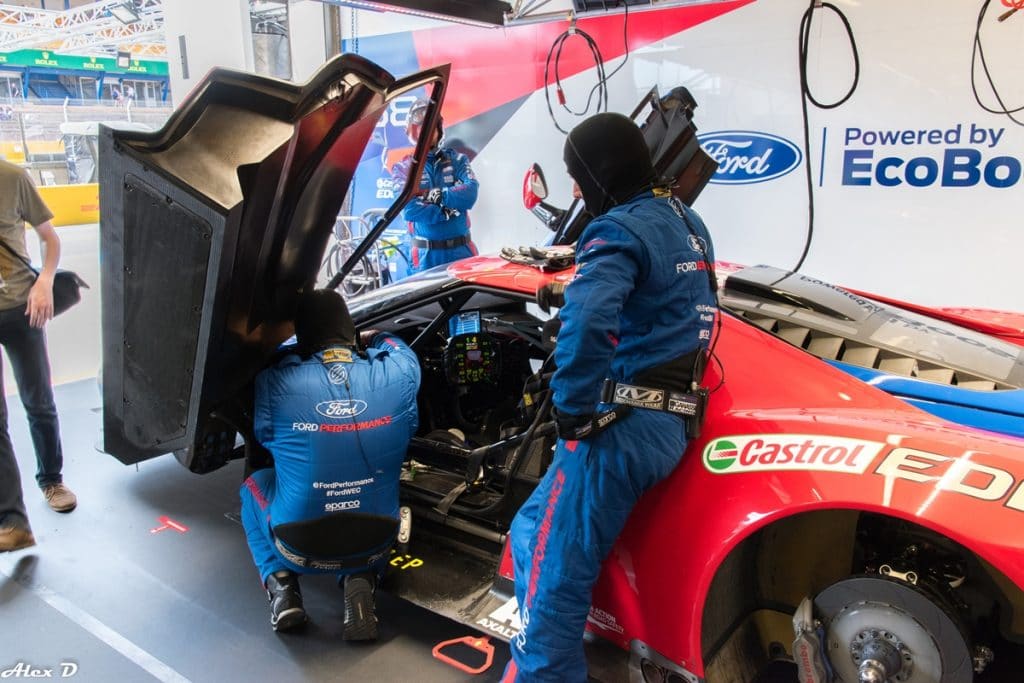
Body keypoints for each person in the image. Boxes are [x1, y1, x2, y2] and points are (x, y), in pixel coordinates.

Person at [502, 113, 718, 682]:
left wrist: (572, 409)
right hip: (670, 422)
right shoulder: (685, 219)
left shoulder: (616, 230)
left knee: (554, 573)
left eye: (578, 175)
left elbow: (592, 320)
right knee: (531, 531)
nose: (575, 189)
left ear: (600, 172)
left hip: (618, 426)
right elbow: (663, 299)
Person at [239, 289, 420, 636]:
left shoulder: (276, 383)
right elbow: (400, 349)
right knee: (370, 502)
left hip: (298, 547)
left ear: (302, 337)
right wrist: (377, 337)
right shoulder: (399, 375)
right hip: (378, 542)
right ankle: (360, 582)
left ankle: (284, 591)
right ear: (352, 333)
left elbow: (264, 436)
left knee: (252, 489)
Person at [0, 159, 77, 553]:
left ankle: (51, 479)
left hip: (20, 308)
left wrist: (44, 281)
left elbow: (49, 238)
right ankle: (12, 520)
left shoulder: (12, 178)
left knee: (39, 403)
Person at [394, 98, 479, 274]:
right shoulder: (403, 168)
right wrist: (448, 210)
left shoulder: (458, 160)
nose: (428, 131)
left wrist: (431, 196)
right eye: (422, 127)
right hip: (425, 257)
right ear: (410, 130)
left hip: (462, 252)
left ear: (439, 129)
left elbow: (470, 193)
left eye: (432, 126)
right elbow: (409, 210)